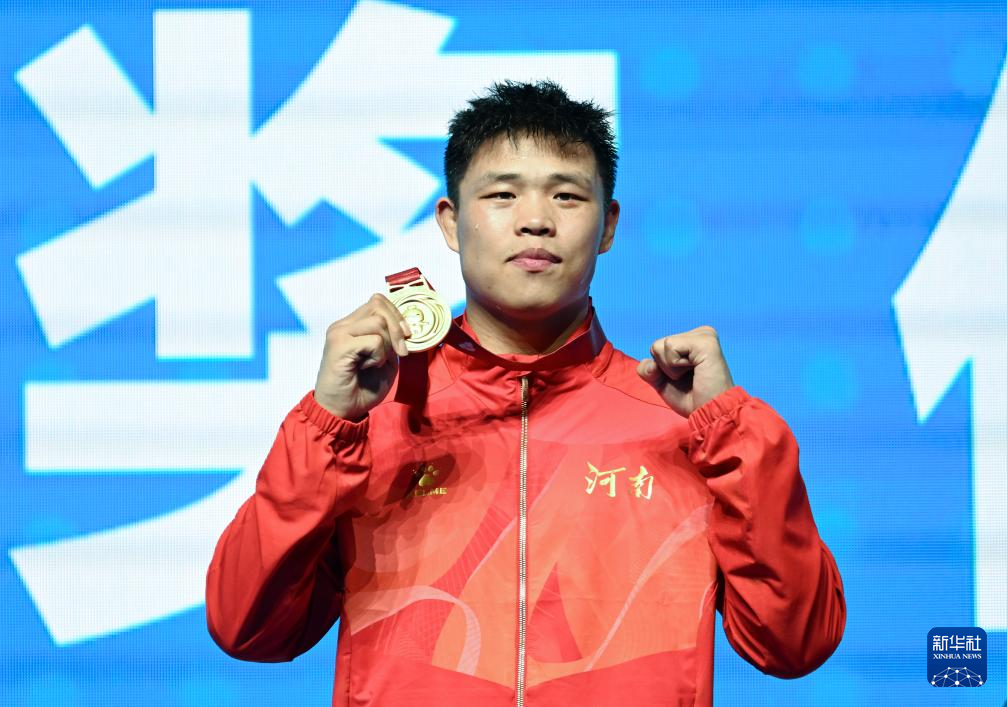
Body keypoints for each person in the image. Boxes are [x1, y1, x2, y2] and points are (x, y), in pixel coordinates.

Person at [206, 80, 846, 706]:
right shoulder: (368, 422)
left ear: (609, 225)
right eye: (502, 195)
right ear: (451, 222)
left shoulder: (687, 425)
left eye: (567, 196)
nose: (536, 221)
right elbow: (247, 628)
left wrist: (730, 428)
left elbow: (795, 643)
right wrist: (326, 423)